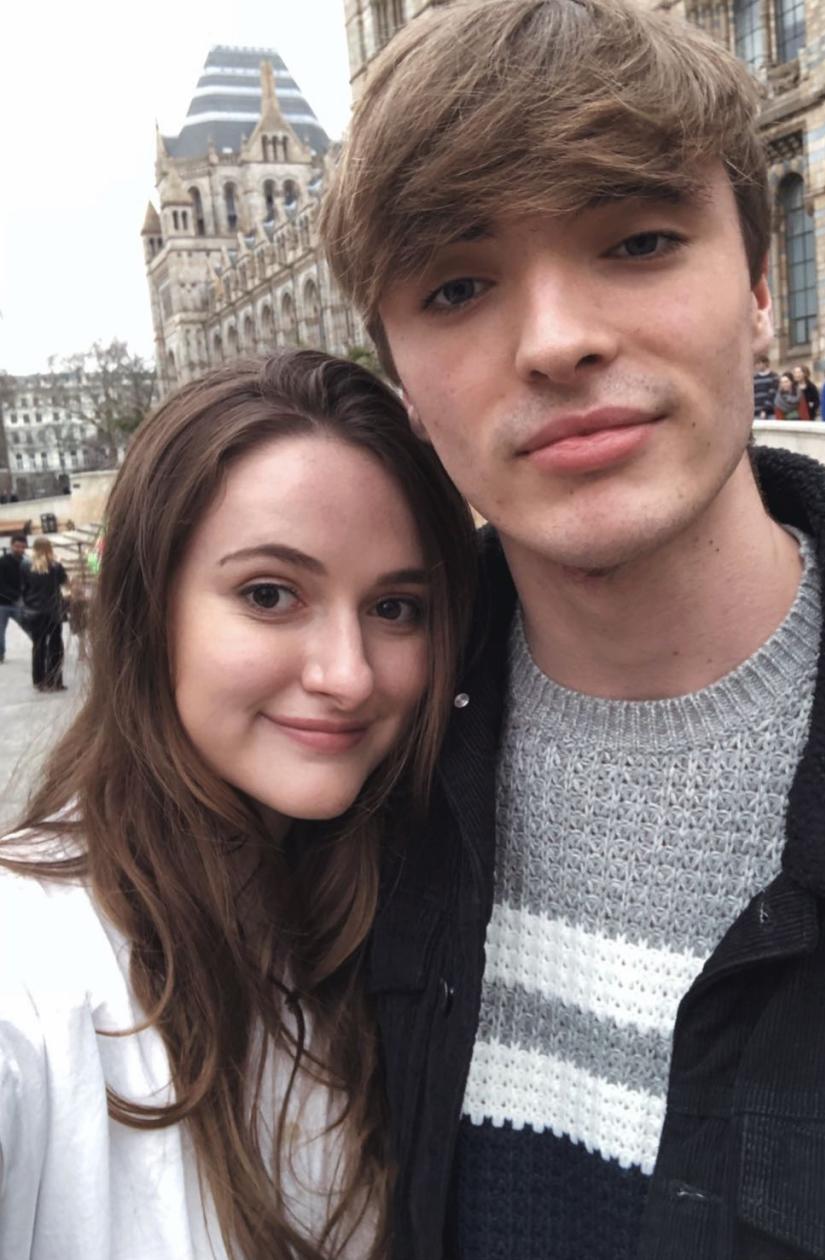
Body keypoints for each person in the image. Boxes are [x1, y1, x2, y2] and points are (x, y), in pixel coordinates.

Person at [320, 2, 825, 1258]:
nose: (558, 341)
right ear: (401, 378)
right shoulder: (347, 785)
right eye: (458, 285)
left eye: (640, 240)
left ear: (763, 289)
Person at [0, 352, 477, 1260]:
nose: (348, 675)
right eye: (269, 594)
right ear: (151, 610)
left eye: (397, 608)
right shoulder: (27, 968)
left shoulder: (385, 918)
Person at [22, 536, 69, 691]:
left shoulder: (25, 565)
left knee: (38, 646)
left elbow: (23, 588)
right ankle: (55, 680)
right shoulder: (56, 566)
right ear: (50, 548)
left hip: (34, 611)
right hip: (53, 610)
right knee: (56, 646)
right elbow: (64, 583)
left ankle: (39, 680)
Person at [0, 530, 29, 664]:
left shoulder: (27, 563)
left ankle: (41, 648)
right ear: (11, 546)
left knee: (30, 627)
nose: (20, 549)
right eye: (17, 546)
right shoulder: (3, 562)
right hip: (3, 603)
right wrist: (16, 596)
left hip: (20, 603)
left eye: (23, 547)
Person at [752, 354, 778, 418]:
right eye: (756, 364)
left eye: (759, 363)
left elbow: (772, 395)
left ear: (765, 363)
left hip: (770, 412)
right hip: (756, 412)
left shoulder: (774, 377)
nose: (757, 366)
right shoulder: (754, 378)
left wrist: (764, 410)